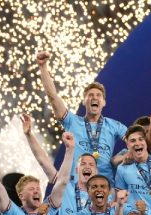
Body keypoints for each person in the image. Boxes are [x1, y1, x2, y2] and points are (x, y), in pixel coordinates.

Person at [36, 51, 127, 181]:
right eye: (90, 95)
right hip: (77, 187)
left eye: (98, 95)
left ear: (104, 102)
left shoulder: (114, 126)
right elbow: (53, 97)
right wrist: (43, 67)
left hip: (104, 187)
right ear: (84, 101)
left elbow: (135, 142)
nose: (94, 97)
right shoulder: (72, 121)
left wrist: (119, 158)